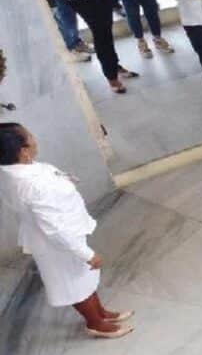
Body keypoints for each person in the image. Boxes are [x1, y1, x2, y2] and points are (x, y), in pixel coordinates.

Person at [0, 124, 134, 338]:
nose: (35, 139)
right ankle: (95, 323)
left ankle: (100, 313)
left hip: (64, 237)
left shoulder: (19, 170)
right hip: (58, 244)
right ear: (23, 151)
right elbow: (55, 229)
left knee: (83, 278)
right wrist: (86, 253)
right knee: (75, 285)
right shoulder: (31, 184)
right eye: (30, 136)